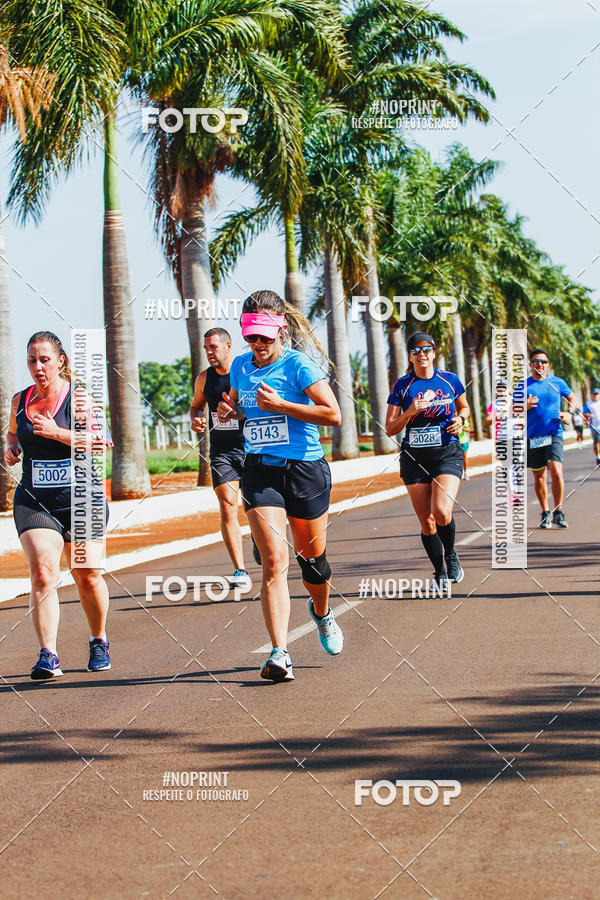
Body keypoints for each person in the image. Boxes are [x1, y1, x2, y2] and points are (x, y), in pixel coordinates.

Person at [217, 290, 343, 682]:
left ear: (281, 329)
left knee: (313, 565)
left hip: (305, 470)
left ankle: (321, 613)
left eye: (264, 337)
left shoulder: (299, 365)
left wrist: (283, 407)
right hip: (260, 470)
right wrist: (231, 411)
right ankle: (279, 652)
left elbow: (332, 414)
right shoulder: (240, 366)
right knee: (273, 560)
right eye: (251, 336)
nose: (257, 344)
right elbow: (241, 404)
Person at [5, 331, 113, 679]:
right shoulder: (19, 400)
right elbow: (11, 431)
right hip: (35, 499)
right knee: (43, 573)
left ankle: (99, 639)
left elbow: (100, 442)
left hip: (82, 497)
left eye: (45, 359)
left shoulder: (79, 399)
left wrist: (56, 433)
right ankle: (48, 654)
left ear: (60, 361)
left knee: (86, 574)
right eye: (32, 360)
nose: (38, 367)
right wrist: (10, 447)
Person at [385, 332, 470, 588]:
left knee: (441, 511)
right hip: (414, 458)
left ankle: (451, 555)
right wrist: (409, 412)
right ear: (409, 356)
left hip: (446, 452)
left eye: (426, 349)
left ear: (434, 353)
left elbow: (464, 407)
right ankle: (439, 572)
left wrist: (461, 419)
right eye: (415, 351)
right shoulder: (402, 386)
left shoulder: (450, 380)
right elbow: (389, 428)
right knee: (426, 520)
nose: (421, 355)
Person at [190, 328, 251, 589]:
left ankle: (259, 543)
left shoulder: (246, 372)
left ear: (228, 346)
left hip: (253, 447)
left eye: (213, 347)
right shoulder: (204, 378)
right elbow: (196, 405)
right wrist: (195, 417)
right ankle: (240, 569)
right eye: (206, 348)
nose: (209, 352)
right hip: (222, 452)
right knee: (228, 504)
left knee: (257, 507)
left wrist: (239, 411)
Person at [521, 348, 577, 528]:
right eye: (536, 361)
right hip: (533, 437)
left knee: (556, 471)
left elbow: (572, 398)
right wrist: (524, 405)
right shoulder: (523, 385)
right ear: (530, 364)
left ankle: (558, 512)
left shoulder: (557, 382)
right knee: (539, 478)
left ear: (548, 365)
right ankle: (545, 512)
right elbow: (511, 409)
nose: (540, 364)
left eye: (543, 362)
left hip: (554, 433)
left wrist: (569, 413)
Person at [583, 387, 600, 465]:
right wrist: (589, 415)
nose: (595, 396)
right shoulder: (588, 404)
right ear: (592, 395)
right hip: (594, 426)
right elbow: (584, 413)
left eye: (597, 394)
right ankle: (598, 456)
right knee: (596, 443)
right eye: (594, 394)